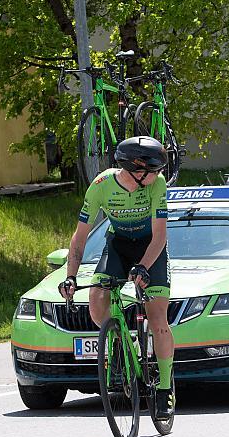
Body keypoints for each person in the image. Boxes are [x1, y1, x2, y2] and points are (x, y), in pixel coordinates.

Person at [58, 136, 174, 419]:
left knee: (157, 318)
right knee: (97, 303)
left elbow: (160, 236)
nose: (159, 175)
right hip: (118, 245)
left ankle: (164, 389)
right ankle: (121, 342)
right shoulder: (101, 186)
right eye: (155, 170)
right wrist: (70, 276)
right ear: (137, 170)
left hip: (150, 248)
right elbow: (80, 237)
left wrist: (144, 267)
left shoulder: (156, 186)